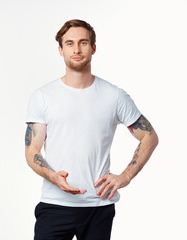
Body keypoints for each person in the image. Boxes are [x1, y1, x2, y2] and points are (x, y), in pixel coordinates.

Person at [25, 19, 158, 240]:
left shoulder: (114, 96)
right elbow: (32, 151)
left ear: (93, 48)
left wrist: (125, 177)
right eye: (69, 44)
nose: (76, 49)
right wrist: (53, 176)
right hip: (55, 205)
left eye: (83, 42)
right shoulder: (43, 97)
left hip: (99, 206)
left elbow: (149, 136)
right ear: (60, 50)